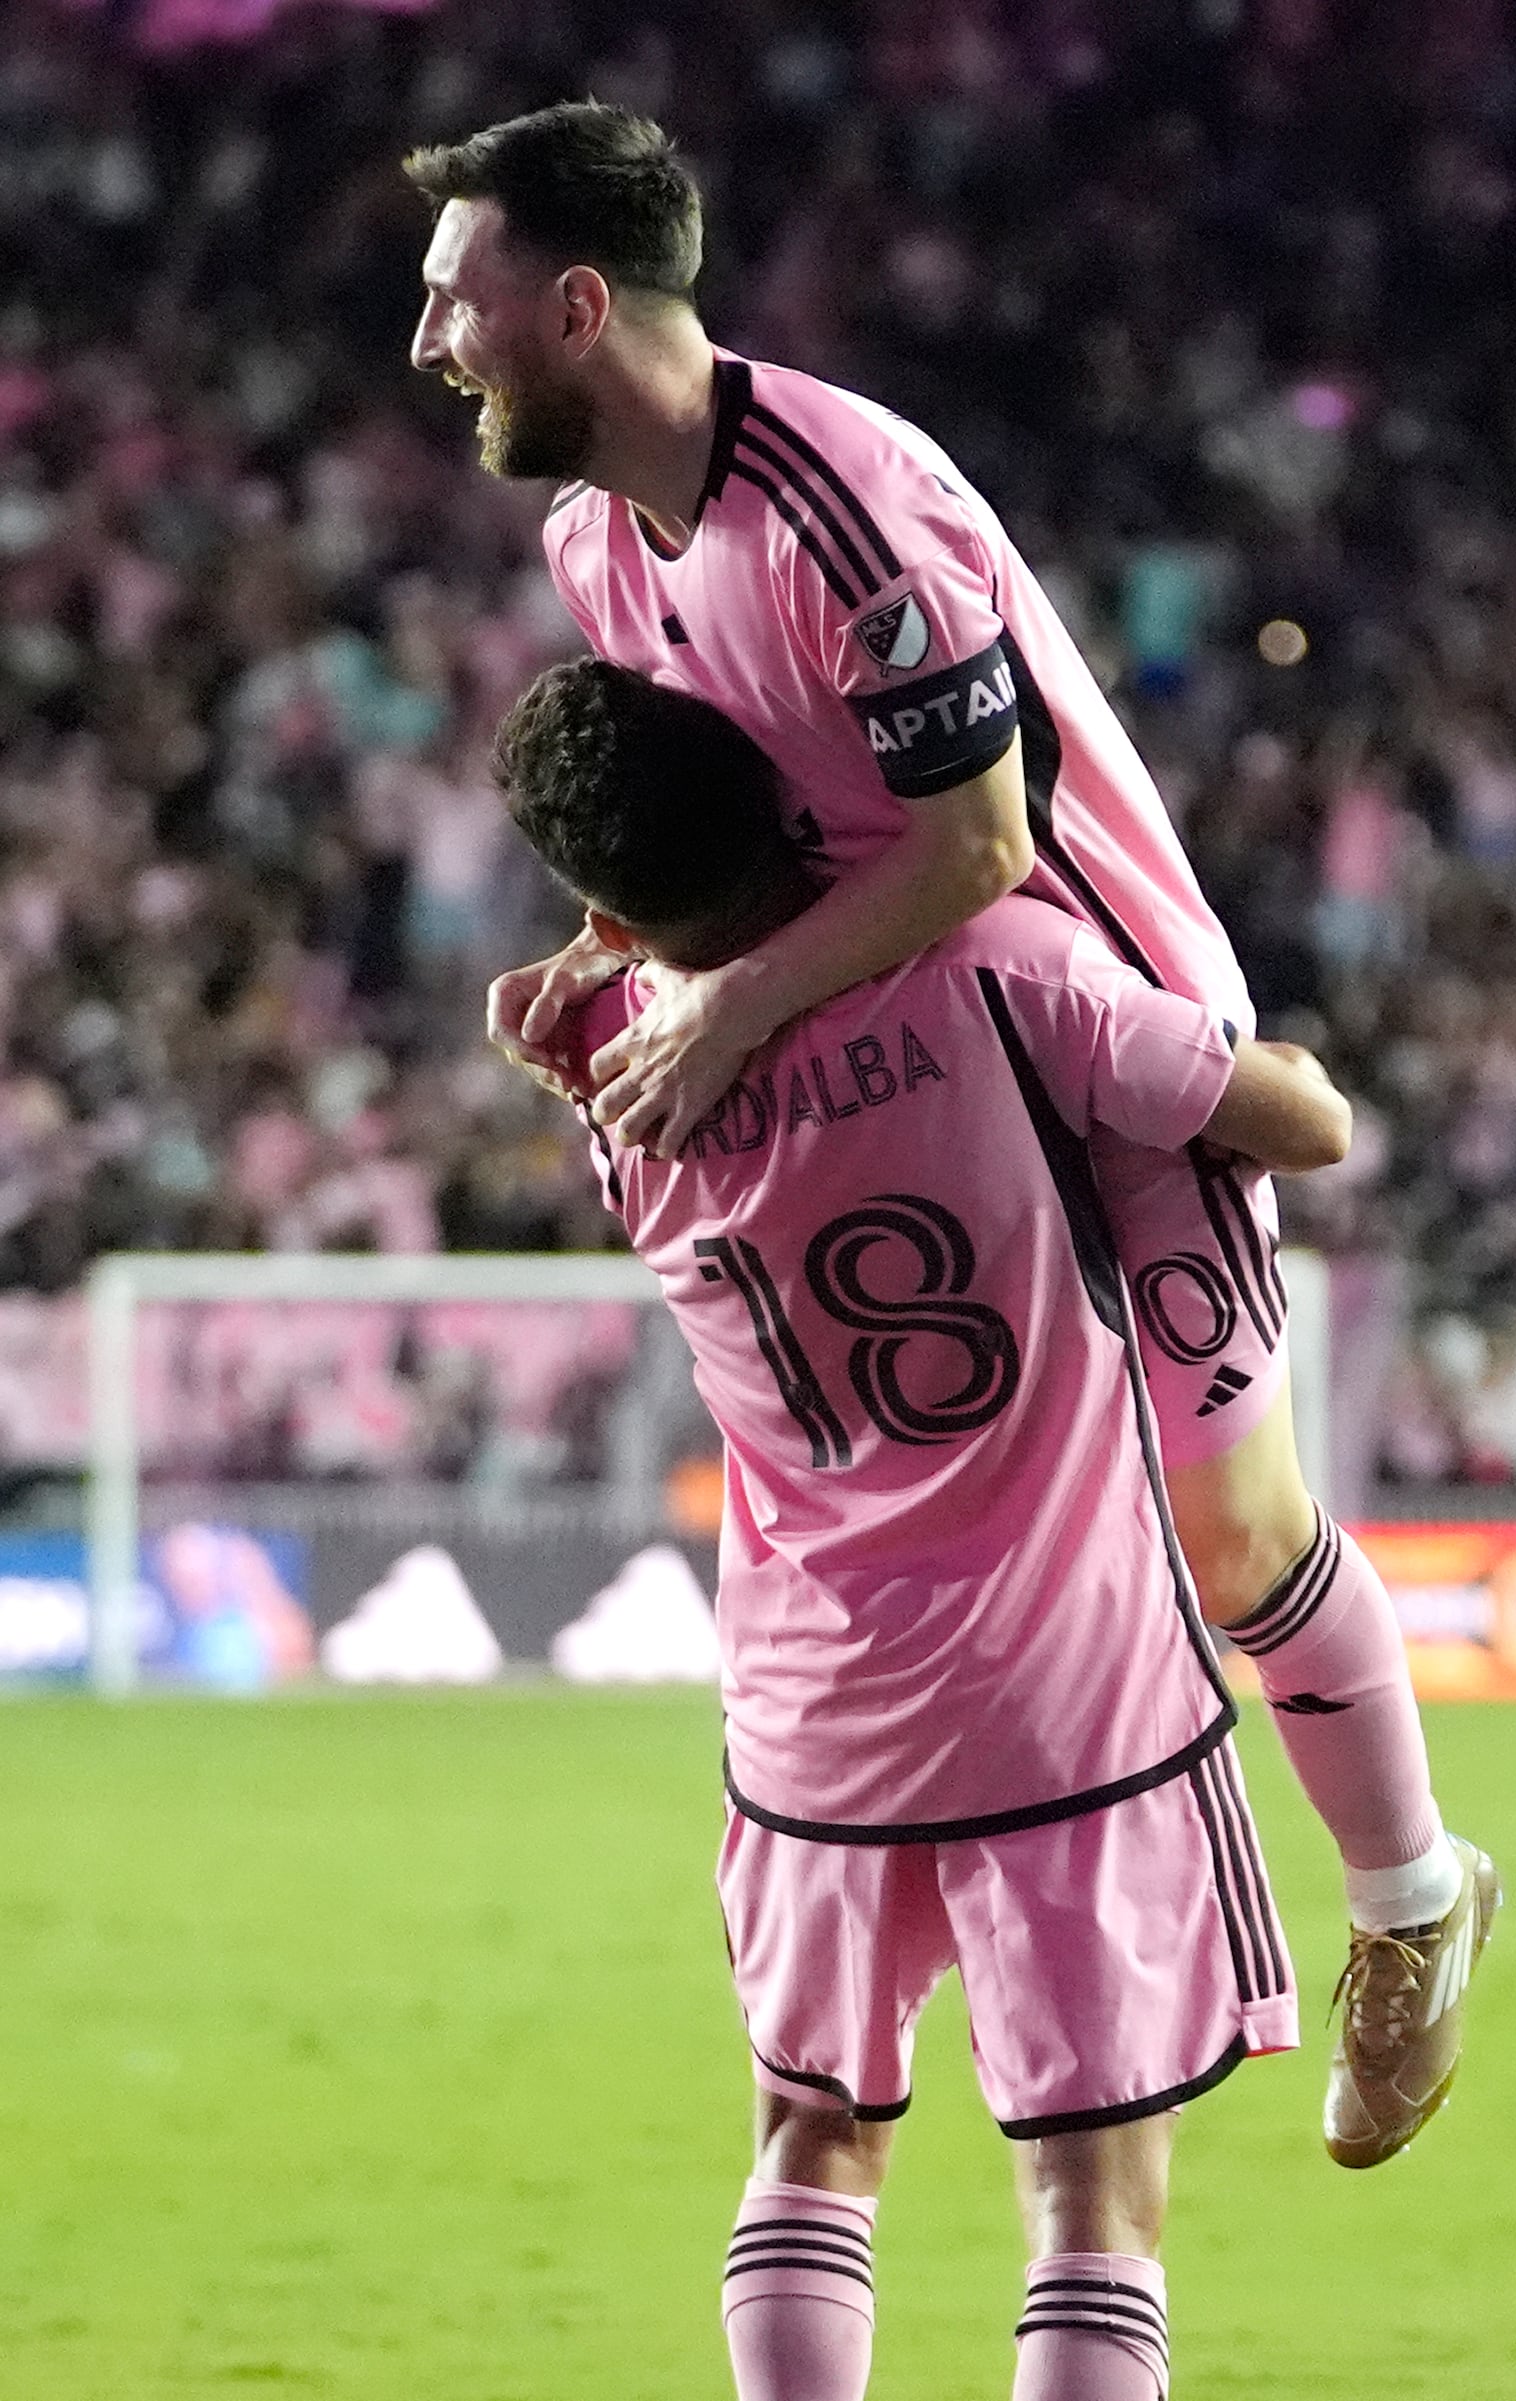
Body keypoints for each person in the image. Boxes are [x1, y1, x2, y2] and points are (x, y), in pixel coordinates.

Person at [405, 101, 1499, 2169]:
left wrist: (728, 1002)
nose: (424, 340)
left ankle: (1408, 1901)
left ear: (574, 305)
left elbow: (977, 845)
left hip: (1087, 1035)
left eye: (453, 296)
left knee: (1228, 1534)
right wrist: (609, 946)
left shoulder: (851, 511)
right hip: (891, 1063)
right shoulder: (590, 546)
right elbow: (723, 839)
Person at [493, 655, 1348, 2401]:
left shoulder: (611, 1083)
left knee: (810, 2139)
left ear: (603, 903)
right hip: (1070, 1688)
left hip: (813, 1703)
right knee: (1093, 2198)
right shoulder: (1001, 969)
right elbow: (1309, 1126)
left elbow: (578, 988)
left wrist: (598, 959)